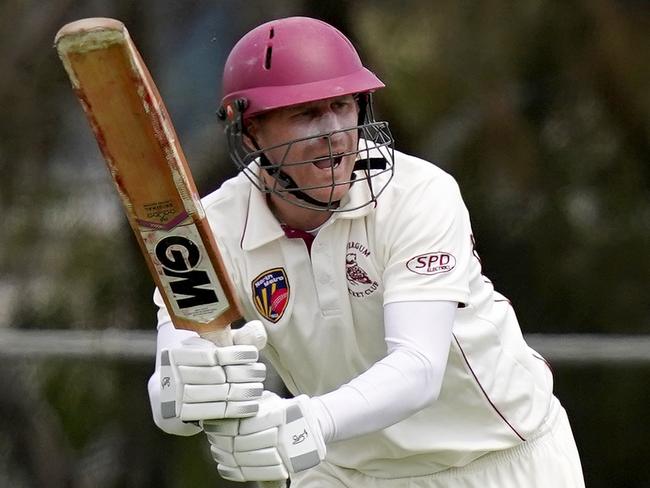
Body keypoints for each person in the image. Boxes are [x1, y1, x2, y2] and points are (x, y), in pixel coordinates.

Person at [147, 16, 585, 488]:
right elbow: (177, 373)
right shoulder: (207, 231)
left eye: (343, 105)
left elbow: (418, 369)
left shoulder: (418, 195)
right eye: (307, 113)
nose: (335, 131)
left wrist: (307, 423)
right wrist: (183, 395)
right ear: (252, 132)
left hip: (497, 460)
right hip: (346, 472)